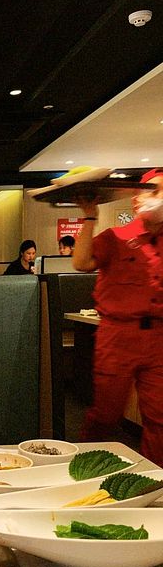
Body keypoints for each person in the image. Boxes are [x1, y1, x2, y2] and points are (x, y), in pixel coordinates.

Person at [73, 168, 163, 466]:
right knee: (106, 414)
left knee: (160, 419)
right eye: (151, 190)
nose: (154, 197)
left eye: (158, 191)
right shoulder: (117, 236)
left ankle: (155, 484)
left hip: (158, 338)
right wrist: (89, 216)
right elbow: (82, 261)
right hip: (118, 335)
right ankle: (84, 469)